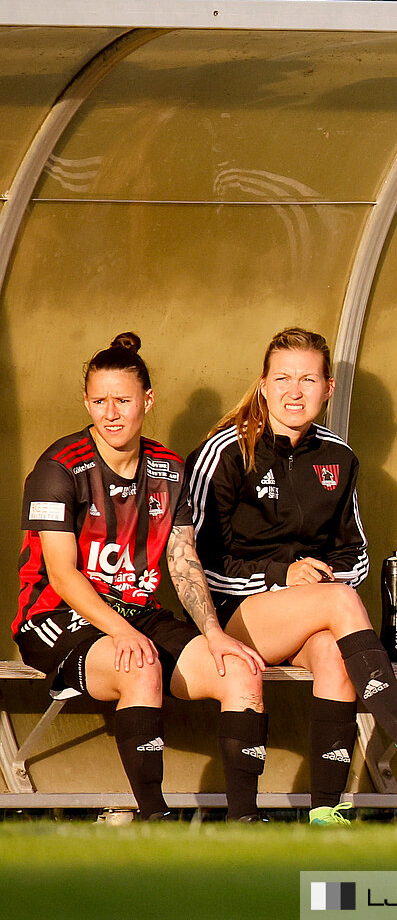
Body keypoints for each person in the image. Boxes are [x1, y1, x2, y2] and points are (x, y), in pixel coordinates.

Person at [187, 327, 397, 825]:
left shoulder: (338, 458)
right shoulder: (227, 452)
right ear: (262, 383)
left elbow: (357, 556)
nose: (294, 391)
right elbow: (196, 563)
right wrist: (282, 575)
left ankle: (325, 810)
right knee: (340, 603)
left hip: (306, 614)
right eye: (282, 378)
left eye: (308, 379)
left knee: (334, 653)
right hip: (234, 619)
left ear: (329, 389)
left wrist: (315, 581)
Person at [13, 333, 267, 821]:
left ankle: (246, 824)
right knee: (140, 665)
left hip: (138, 614)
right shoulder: (57, 468)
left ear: (147, 401)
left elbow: (183, 561)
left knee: (240, 670)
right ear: (86, 401)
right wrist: (124, 632)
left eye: (123, 400)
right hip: (57, 617)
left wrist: (214, 633)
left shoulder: (169, 469)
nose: (111, 412)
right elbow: (62, 575)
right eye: (100, 400)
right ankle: (155, 818)